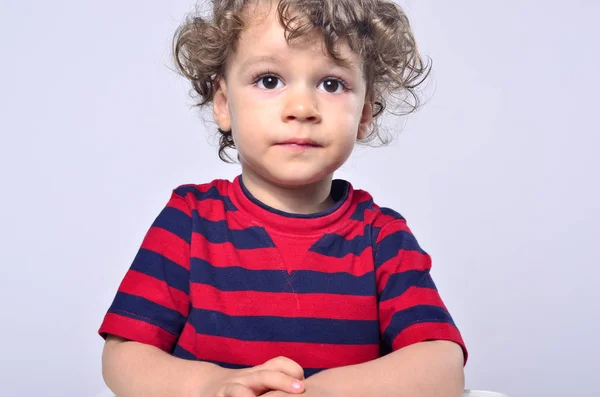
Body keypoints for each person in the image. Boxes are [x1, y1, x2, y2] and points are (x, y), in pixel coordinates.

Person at [99, 0, 468, 396]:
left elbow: (440, 365)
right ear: (223, 104)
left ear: (364, 113)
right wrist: (213, 386)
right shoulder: (189, 222)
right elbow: (124, 355)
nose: (301, 108)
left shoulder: (383, 238)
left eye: (331, 84)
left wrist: (316, 393)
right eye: (270, 80)